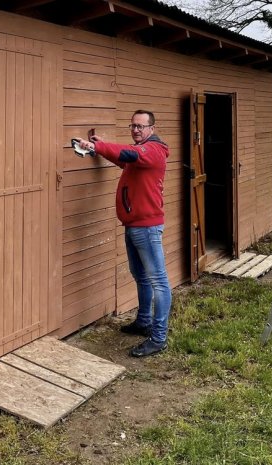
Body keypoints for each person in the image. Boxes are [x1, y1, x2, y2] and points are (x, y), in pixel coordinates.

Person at [75, 110, 171, 357]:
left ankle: (159, 337)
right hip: (133, 225)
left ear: (151, 127)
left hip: (147, 228)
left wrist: (99, 145)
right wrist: (98, 148)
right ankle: (143, 322)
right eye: (133, 126)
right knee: (140, 275)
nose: (136, 130)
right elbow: (124, 159)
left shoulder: (154, 150)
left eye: (141, 126)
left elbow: (128, 153)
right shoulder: (139, 154)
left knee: (159, 282)